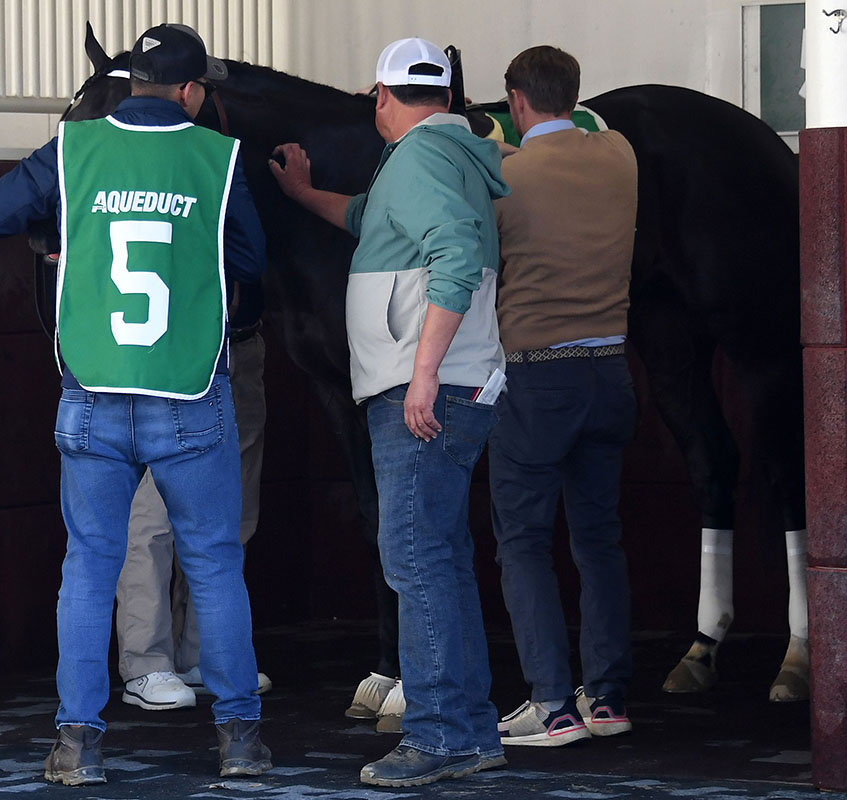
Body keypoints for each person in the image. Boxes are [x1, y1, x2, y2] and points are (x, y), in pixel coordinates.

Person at [0, 22, 271, 785]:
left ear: (132, 82)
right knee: (215, 566)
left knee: (89, 569)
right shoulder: (219, 157)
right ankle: (239, 742)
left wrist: (63, 228)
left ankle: (78, 745)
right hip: (190, 395)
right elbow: (253, 264)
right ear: (193, 91)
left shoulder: (73, 152)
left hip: (92, 396)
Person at [270, 37, 509, 788]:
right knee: (440, 560)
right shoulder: (447, 156)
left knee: (414, 559)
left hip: (425, 393)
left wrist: (422, 375)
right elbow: (374, 217)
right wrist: (307, 195)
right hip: (455, 385)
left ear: (381, 98)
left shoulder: (419, 161)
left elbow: (456, 254)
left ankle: (438, 736)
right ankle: (467, 729)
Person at [488, 45, 638, 748]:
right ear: (575, 98)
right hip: (611, 371)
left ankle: (551, 706)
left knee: (521, 542)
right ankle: (606, 699)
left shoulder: (506, 176)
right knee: (598, 540)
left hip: (536, 376)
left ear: (516, 102)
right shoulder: (621, 158)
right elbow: (601, 132)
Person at [116, 281, 272, 711]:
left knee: (232, 515)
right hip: (170, 344)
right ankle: (146, 663)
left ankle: (203, 656)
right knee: (153, 516)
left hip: (238, 342)